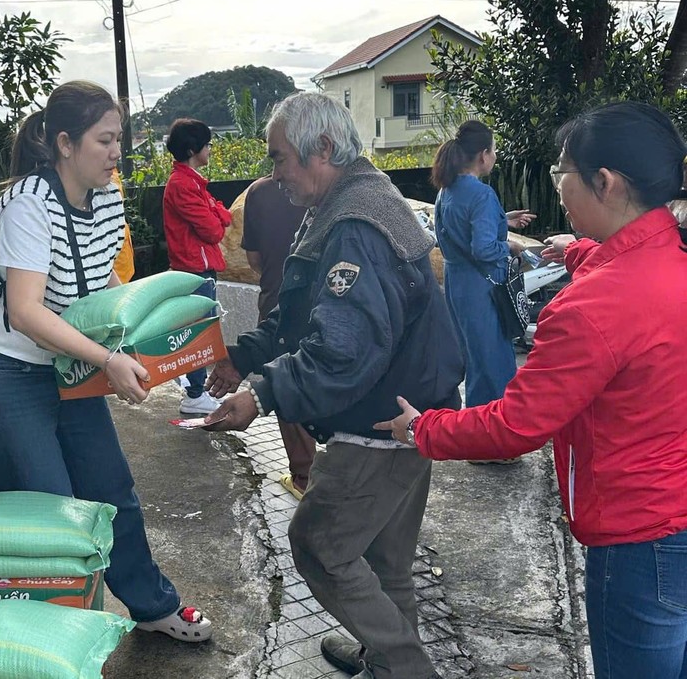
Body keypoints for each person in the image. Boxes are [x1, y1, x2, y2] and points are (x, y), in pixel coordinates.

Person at [375, 101, 687, 679]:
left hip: (638, 535)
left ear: (605, 182)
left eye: (561, 173)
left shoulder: (593, 308)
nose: (559, 188)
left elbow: (515, 425)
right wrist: (578, 249)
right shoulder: (673, 259)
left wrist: (422, 428)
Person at [204, 92, 463, 679]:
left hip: (380, 422)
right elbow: (304, 313)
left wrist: (261, 394)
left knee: (319, 544)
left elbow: (342, 354)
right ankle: (386, 659)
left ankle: (405, 667)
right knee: (385, 560)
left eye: (279, 159)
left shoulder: (356, 224)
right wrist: (245, 355)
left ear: (322, 149)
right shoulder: (353, 199)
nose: (274, 175)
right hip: (411, 411)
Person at [0, 81, 213, 644]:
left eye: (119, 139)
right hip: (4, 368)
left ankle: (151, 605)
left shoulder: (107, 198)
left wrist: (142, 346)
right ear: (66, 144)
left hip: (68, 361)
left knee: (110, 488)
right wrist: (107, 359)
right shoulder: (28, 204)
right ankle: (52, 636)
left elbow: (102, 293)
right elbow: (24, 312)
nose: (116, 152)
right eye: (105, 140)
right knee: (49, 504)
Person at [431, 121, 535, 415]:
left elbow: (454, 232)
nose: (496, 156)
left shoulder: (446, 190)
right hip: (483, 286)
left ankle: (476, 432)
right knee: (495, 364)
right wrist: (511, 246)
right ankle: (492, 440)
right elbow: (484, 249)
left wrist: (503, 218)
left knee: (475, 360)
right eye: (494, 150)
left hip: (457, 284)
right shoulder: (481, 194)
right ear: (483, 155)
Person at [240, 175, 317, 500]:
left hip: (276, 298)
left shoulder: (257, 192)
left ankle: (304, 475)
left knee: (285, 386)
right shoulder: (325, 186)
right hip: (322, 301)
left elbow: (254, 259)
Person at [163, 117, 232, 415]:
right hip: (194, 271)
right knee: (198, 334)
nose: (211, 150)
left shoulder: (190, 181)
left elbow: (222, 216)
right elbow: (215, 230)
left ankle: (195, 390)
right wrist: (217, 212)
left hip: (198, 269)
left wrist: (217, 211)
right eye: (207, 145)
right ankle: (193, 393)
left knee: (199, 331)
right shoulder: (184, 185)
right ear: (193, 149)